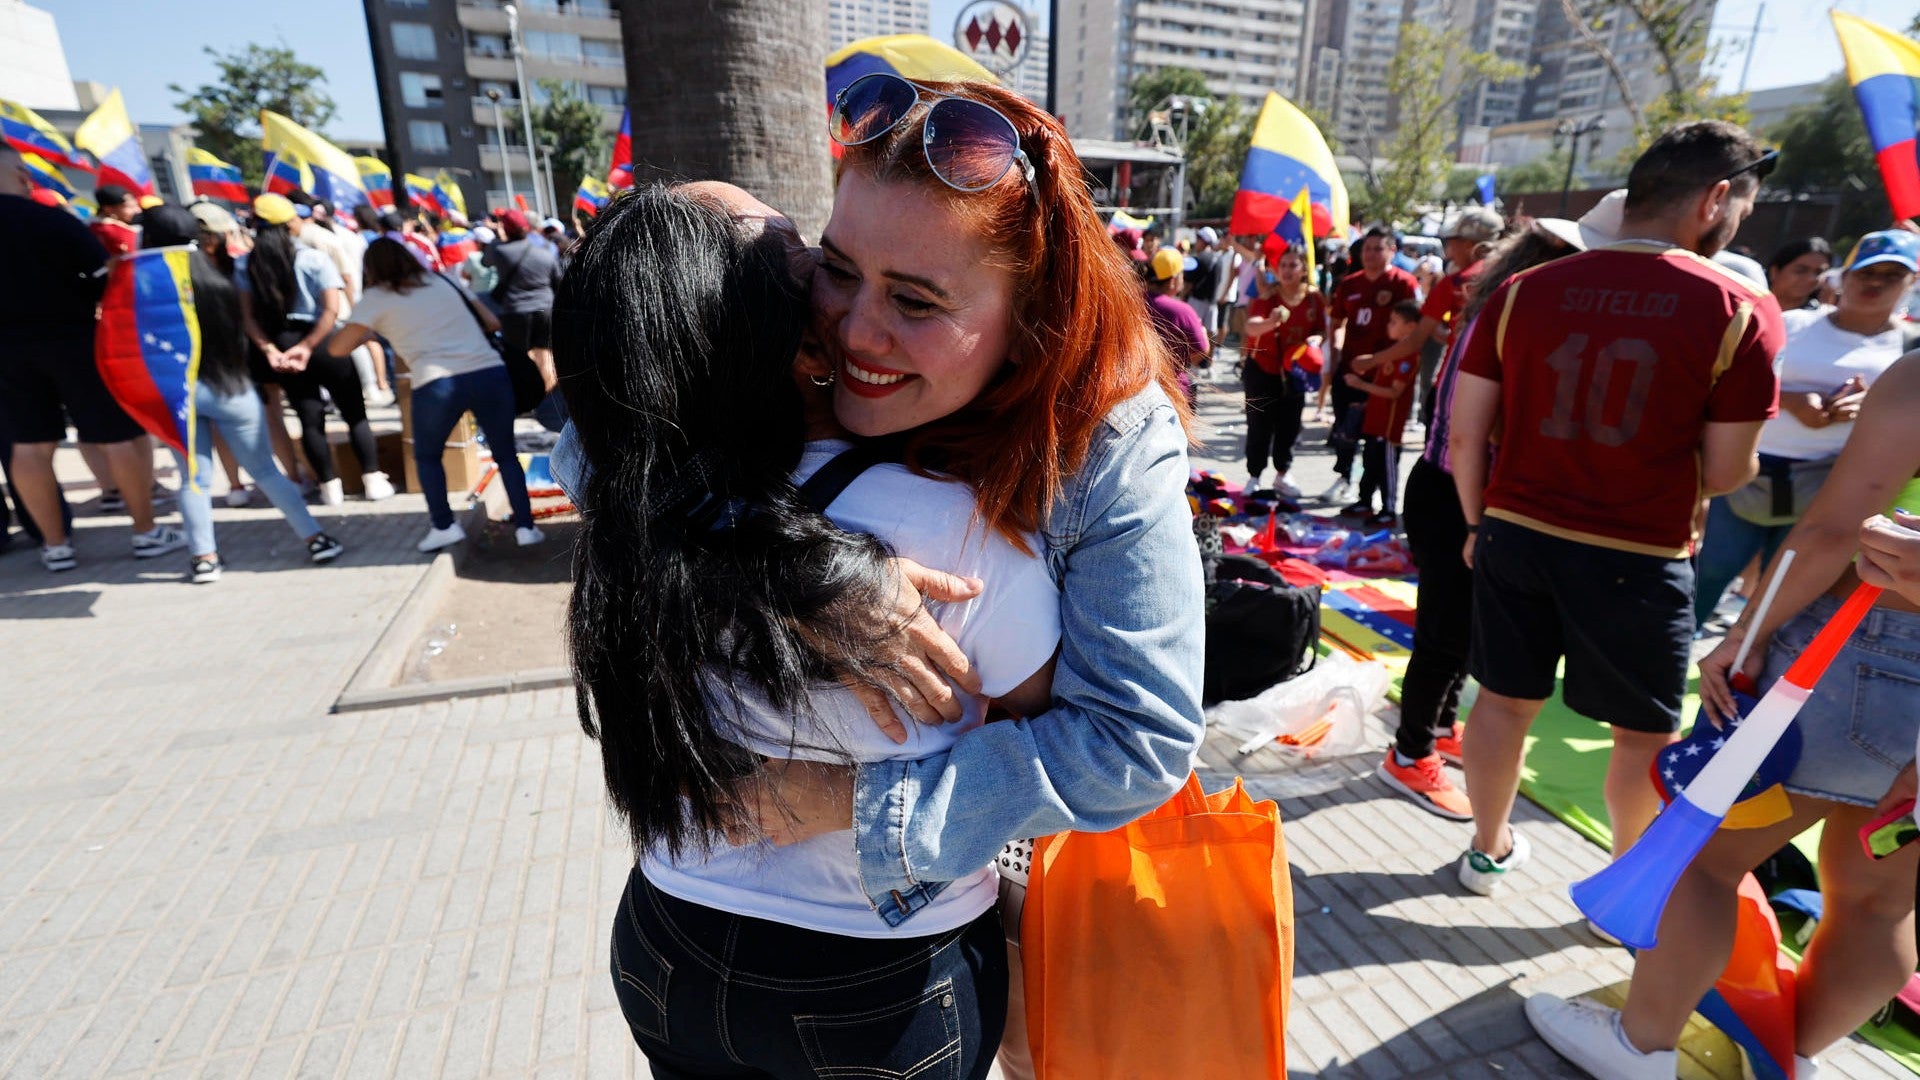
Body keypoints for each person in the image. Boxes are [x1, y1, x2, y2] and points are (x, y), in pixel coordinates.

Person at [554, 76, 1206, 1078]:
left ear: (1032, 319)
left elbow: (1137, 739)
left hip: (844, 969)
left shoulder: (1105, 438)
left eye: (917, 300)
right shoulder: (785, 384)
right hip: (745, 955)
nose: (854, 332)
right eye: (837, 269)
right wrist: (796, 572)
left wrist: (842, 802)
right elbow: (598, 453)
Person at [1526, 348, 1920, 1080]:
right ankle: (1790, 1055)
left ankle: (1640, 1048)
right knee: (1881, 904)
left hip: (1859, 655)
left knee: (1704, 861)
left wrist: (1745, 636)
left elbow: (1834, 528)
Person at [1447, 120, 1785, 894]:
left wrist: (1475, 526)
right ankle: (1621, 884)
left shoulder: (1522, 291)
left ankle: (1487, 850)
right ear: (1716, 199)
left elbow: (1467, 437)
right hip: (1640, 551)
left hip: (1517, 531)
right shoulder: (1739, 307)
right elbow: (1731, 474)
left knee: (1502, 702)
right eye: (1742, 208)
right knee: (1642, 734)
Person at [1377, 219, 1586, 819]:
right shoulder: (1504, 315)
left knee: (1463, 631)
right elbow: (1468, 439)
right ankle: (1409, 754)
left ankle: (1439, 726)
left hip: (1461, 494)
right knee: (1443, 636)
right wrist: (1475, 524)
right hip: (1454, 495)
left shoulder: (1506, 310)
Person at [1693, 230, 1919, 627]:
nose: (1876, 283)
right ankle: (1684, 657)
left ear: (1911, 284)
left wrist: (1874, 407)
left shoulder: (1909, 349)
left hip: (1831, 487)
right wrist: (1793, 401)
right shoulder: (1792, 323)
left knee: (1789, 584)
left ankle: (1748, 659)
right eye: (1867, 272)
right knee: (1710, 572)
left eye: (1892, 275)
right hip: (1751, 473)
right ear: (1843, 277)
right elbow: (1730, 380)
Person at [131, 206, 344, 581]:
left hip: (178, 392)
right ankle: (316, 539)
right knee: (265, 469)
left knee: (193, 478)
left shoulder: (138, 284)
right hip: (231, 387)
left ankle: (204, 559)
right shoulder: (219, 281)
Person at [0, 145, 185, 572]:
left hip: (6, 352)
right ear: (20, 173)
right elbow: (107, 279)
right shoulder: (51, 220)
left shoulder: (50, 218)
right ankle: (145, 532)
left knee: (27, 446)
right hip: (73, 340)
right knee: (118, 435)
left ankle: (55, 546)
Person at [326, 238, 544, 553]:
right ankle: (526, 527)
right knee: (506, 455)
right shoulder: (443, 280)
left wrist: (377, 331)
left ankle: (444, 526)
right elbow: (492, 322)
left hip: (436, 383)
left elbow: (338, 348)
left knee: (428, 456)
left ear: (371, 268)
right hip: (489, 373)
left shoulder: (375, 298)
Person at [236, 193, 394, 507]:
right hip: (322, 341)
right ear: (289, 223)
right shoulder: (312, 257)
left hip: (280, 342)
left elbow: (248, 317)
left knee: (310, 419)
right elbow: (331, 310)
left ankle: (328, 488)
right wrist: (308, 347)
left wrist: (271, 351)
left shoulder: (245, 263)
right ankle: (372, 480)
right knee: (354, 413)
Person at [1358, 207, 1505, 425]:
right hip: (1498, 386)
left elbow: (1416, 339)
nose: (1448, 250)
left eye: (1452, 242)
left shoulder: (1456, 282)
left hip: (1457, 382)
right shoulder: (1515, 278)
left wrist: (1371, 360)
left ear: (1468, 244)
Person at [1323, 226, 1419, 503]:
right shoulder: (1350, 284)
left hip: (1385, 374)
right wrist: (1338, 352)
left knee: (1377, 436)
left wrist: (1378, 361)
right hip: (1351, 369)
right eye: (1367, 248)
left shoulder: (1403, 283)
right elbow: (1338, 322)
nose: (1371, 254)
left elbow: (1414, 331)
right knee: (1345, 429)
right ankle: (1344, 478)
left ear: (1392, 251)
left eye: (1378, 248)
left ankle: (1375, 492)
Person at [1241, 245, 1326, 497]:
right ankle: (1254, 475)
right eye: (1284, 265)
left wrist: (1316, 341)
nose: (1287, 270)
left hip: (1295, 372)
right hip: (1262, 369)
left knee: (1290, 424)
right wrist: (1271, 322)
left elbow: (1322, 329)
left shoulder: (1314, 298)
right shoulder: (1268, 296)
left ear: (1303, 269)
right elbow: (1250, 327)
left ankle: (1282, 473)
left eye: (1293, 265)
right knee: (1258, 424)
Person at [1343, 299, 1421, 525]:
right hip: (1375, 421)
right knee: (1369, 463)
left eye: (1394, 322)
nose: (1389, 325)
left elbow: (1394, 392)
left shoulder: (1408, 356)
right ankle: (1365, 501)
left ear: (1411, 327)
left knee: (1387, 469)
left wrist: (1361, 385)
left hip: (1389, 426)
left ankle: (1388, 508)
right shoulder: (1392, 353)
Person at [482, 208, 564, 401]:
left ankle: (526, 395)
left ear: (506, 229)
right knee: (545, 352)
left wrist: (497, 234)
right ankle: (546, 394)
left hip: (515, 312)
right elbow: (558, 282)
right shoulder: (545, 253)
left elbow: (486, 261)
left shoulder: (500, 251)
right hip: (546, 309)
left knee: (519, 356)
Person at [1145, 247, 1210, 404]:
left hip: (1136, 391)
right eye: (1182, 274)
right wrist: (1204, 334)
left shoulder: (1130, 301)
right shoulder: (1182, 311)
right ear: (1173, 280)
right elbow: (1200, 352)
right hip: (1173, 394)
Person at [1765, 236, 1833, 312]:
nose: (1811, 278)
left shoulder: (1819, 318)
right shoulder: (1751, 307)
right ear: (1774, 272)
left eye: (1819, 272)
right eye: (1800, 271)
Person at [1185, 226, 1224, 351]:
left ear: (1203, 241)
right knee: (1211, 333)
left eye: (1198, 239)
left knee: (1191, 332)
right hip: (1212, 302)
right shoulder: (1220, 259)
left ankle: (1191, 362)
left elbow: (1188, 284)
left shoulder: (1197, 259)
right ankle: (1208, 363)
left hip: (1196, 301)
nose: (1196, 243)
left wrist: (1182, 299)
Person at [89, 183, 140, 257]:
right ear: (109, 209)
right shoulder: (117, 232)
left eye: (136, 205)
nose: (137, 210)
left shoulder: (85, 226)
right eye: (130, 207)